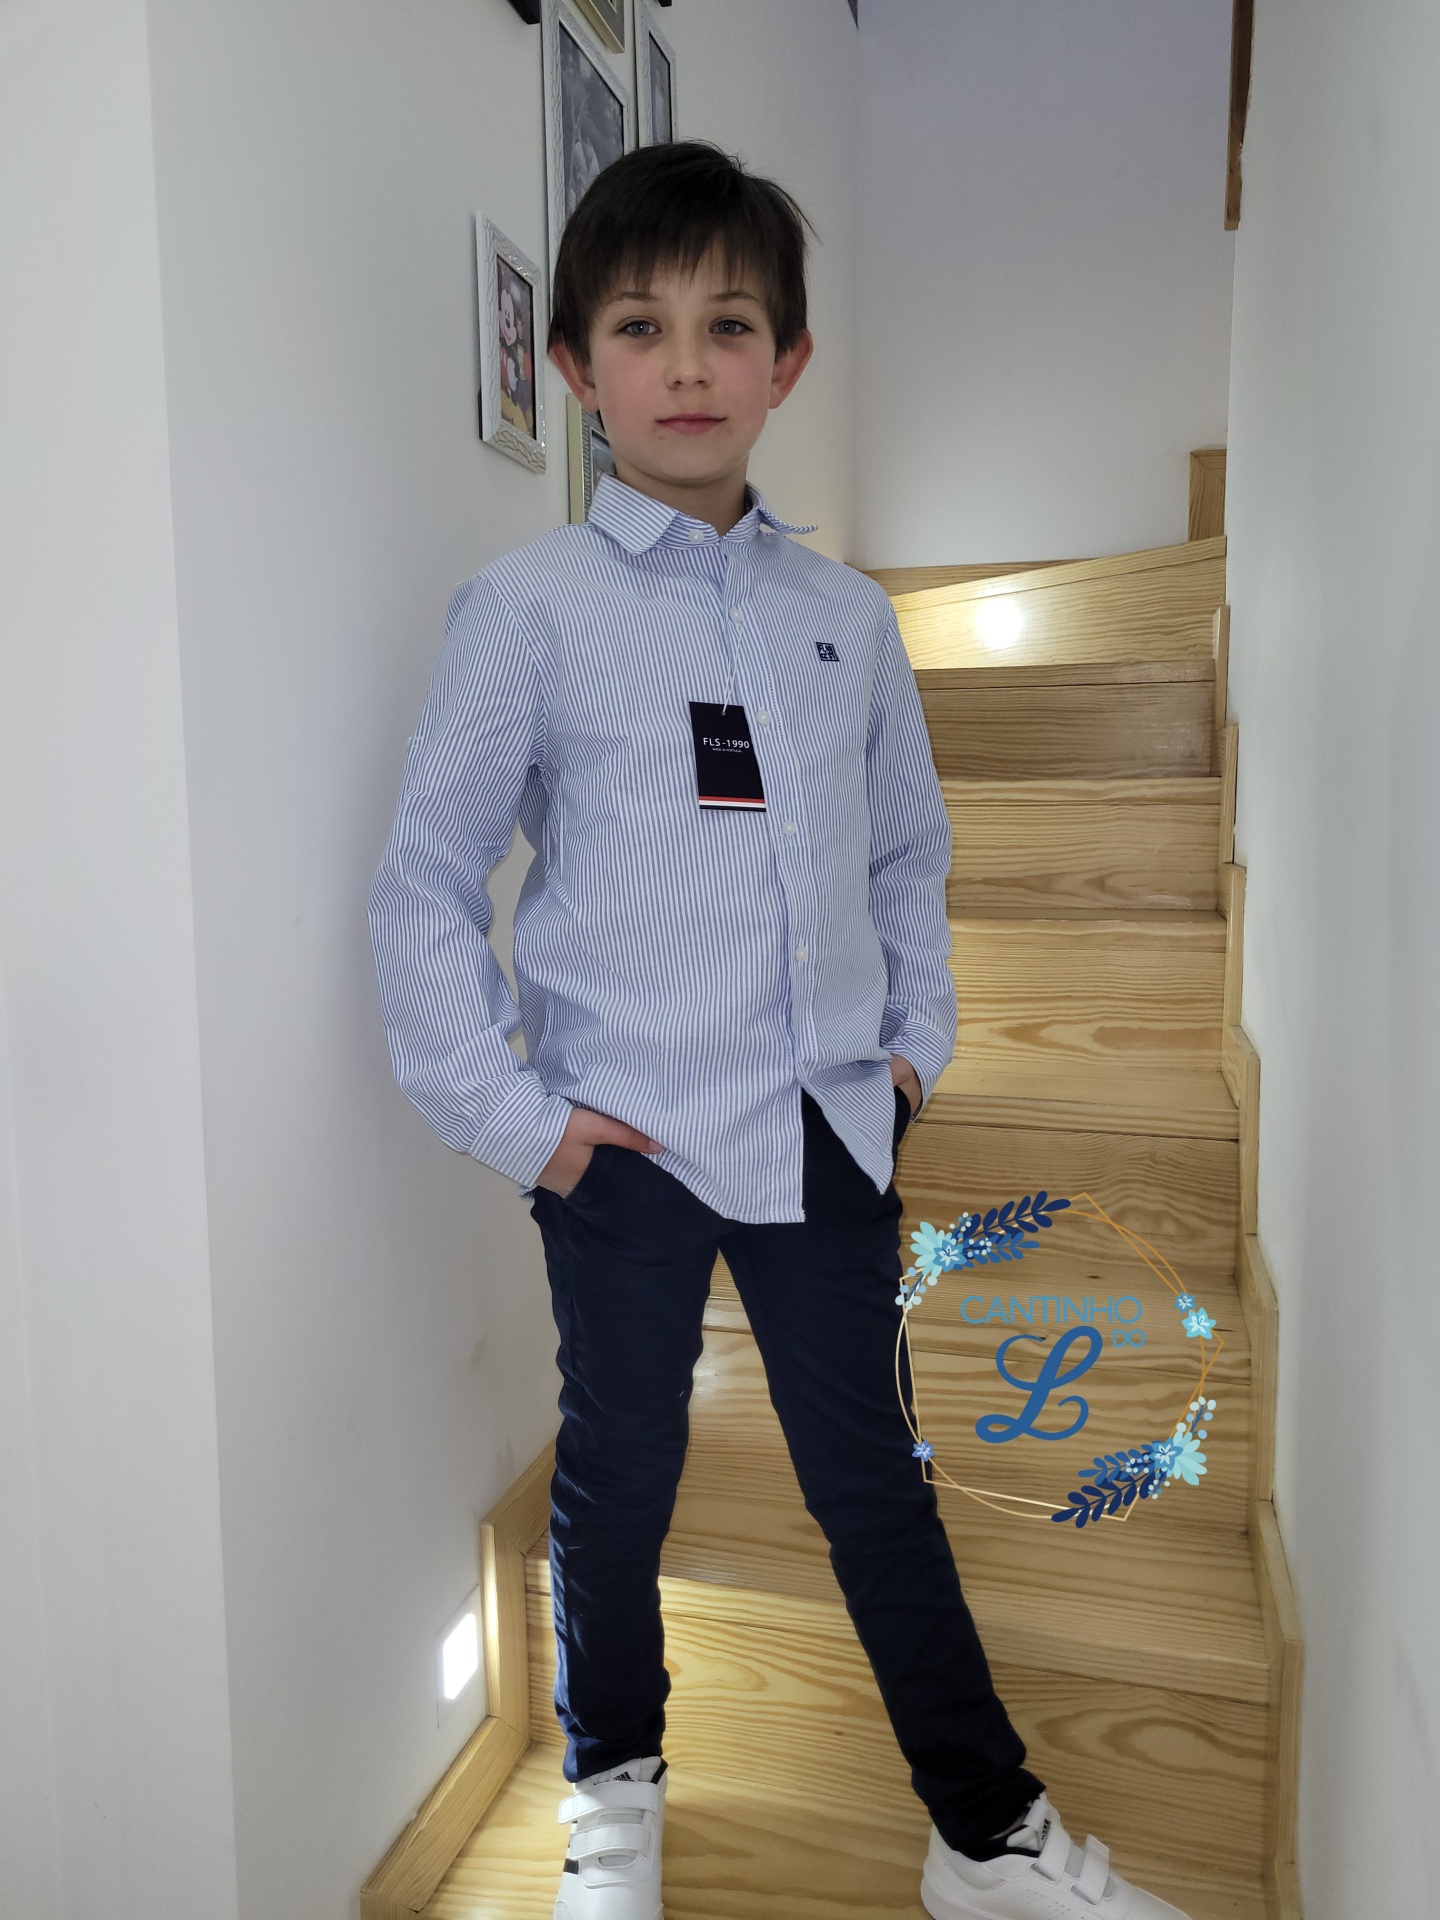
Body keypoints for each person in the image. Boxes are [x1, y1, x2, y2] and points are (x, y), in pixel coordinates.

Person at [370, 141, 1189, 1920]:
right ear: (576, 369)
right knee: (618, 1481)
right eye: (640, 328)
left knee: (875, 1486)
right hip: (624, 1137)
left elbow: (908, 855)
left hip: (825, 1126)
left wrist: (912, 1050)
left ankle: (984, 1837)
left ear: (787, 361)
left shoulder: (852, 622)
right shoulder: (529, 613)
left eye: (728, 325)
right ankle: (613, 1804)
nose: (687, 365)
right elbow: (424, 877)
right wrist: (523, 1125)